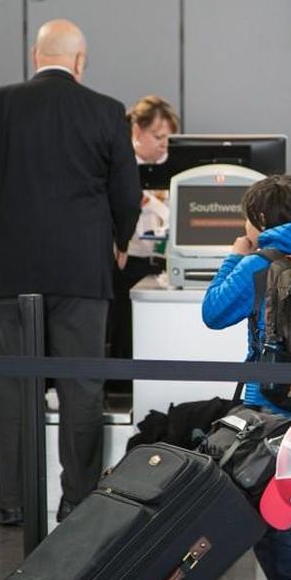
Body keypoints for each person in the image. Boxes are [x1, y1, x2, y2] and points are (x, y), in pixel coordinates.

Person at [0, 19, 141, 526]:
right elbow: (126, 190)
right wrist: (120, 241)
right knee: (82, 388)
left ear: (36, 56)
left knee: (14, 388)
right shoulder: (106, 111)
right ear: (80, 61)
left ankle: (10, 500)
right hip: (82, 271)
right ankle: (78, 499)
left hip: (12, 270)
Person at [201, 174, 291, 580]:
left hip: (268, 407)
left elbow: (214, 312)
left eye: (245, 223)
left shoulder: (260, 263)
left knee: (269, 504)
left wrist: (236, 257)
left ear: (257, 218)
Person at [105, 96, 180, 388]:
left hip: (163, 262)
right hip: (125, 260)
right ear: (136, 130)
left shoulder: (177, 165)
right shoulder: (116, 164)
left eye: (168, 139)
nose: (164, 145)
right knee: (122, 328)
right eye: (158, 137)